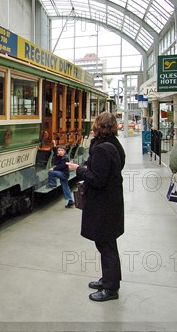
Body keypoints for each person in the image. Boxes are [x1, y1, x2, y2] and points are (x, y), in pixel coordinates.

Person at [67, 112, 126, 302]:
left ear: (98, 127)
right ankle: (109, 279)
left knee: (106, 245)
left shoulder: (102, 149)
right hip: (111, 202)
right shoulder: (114, 145)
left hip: (103, 205)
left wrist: (79, 169)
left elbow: (97, 179)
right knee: (107, 244)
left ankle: (110, 288)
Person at [48, 140, 75, 208]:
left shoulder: (65, 158)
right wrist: (54, 144)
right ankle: (70, 201)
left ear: (65, 151)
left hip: (63, 174)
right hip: (64, 174)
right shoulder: (59, 155)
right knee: (65, 187)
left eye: (62, 150)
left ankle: (53, 184)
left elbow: (62, 166)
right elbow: (55, 151)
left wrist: (53, 169)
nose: (60, 151)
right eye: (59, 150)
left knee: (51, 172)